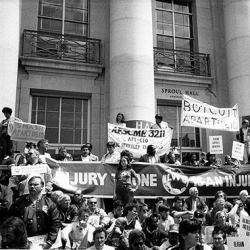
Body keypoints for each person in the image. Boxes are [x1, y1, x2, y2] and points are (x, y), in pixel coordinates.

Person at [9, 176, 61, 249]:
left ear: (42, 186)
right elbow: (10, 220)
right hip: (23, 242)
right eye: (30, 184)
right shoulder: (19, 202)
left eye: (35, 184)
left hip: (43, 242)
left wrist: (49, 242)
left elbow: (55, 223)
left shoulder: (49, 203)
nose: (32, 186)